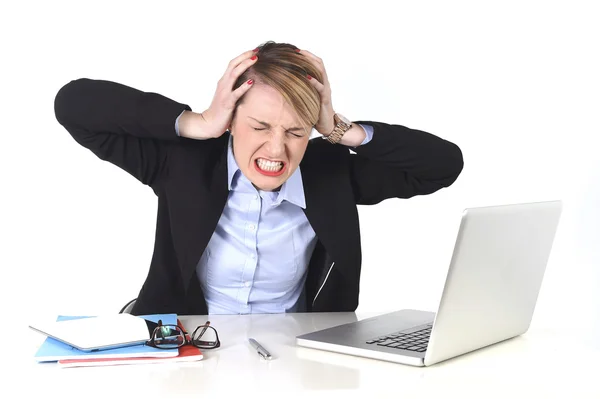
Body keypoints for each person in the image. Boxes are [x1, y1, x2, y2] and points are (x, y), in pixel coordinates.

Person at [54, 41, 464, 316]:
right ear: (231, 120)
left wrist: (339, 127)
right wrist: (197, 122)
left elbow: (443, 165)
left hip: (298, 362)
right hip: (184, 351)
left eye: (295, 131)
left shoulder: (330, 174)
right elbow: (73, 104)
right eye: (260, 126)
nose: (275, 150)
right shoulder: (181, 163)